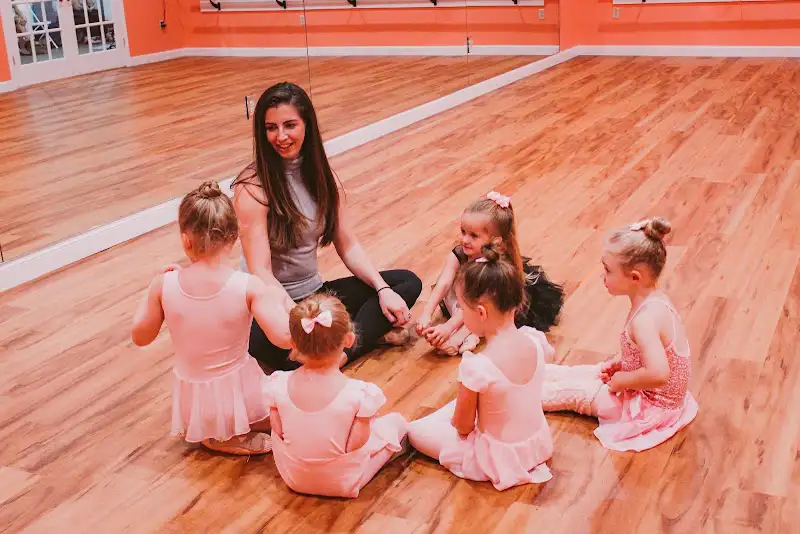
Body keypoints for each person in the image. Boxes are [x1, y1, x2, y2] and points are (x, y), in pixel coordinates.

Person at [233, 82, 422, 371]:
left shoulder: (321, 176)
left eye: (290, 125)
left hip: (314, 293)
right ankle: (359, 338)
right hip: (269, 304)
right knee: (283, 350)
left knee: (406, 283)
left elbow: (348, 244)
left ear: (307, 125)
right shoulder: (252, 188)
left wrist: (383, 290)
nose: (280, 136)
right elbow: (261, 273)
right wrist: (300, 317)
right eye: (271, 128)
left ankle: (338, 354)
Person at [132, 181, 293, 455]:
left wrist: (153, 290)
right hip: (241, 397)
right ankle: (229, 434)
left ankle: (214, 431)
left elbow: (140, 336)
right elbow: (285, 339)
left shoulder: (164, 285)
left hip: (194, 408)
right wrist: (278, 299)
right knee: (296, 401)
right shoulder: (248, 286)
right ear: (233, 238)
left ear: (185, 239)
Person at [541, 217, 699, 452]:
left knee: (578, 393)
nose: (602, 276)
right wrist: (624, 364)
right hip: (656, 395)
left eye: (607, 270)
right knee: (592, 372)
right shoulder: (656, 300)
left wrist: (624, 380)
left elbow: (659, 373)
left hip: (649, 408)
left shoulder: (644, 319)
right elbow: (651, 354)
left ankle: (519, 395)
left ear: (635, 277)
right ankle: (542, 375)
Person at [407, 245, 553, 490]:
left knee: (416, 431)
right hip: (537, 445)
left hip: (494, 459)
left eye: (462, 310)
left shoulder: (477, 367)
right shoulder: (536, 340)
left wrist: (462, 424)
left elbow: (463, 427)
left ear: (481, 312)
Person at [264, 293, 408, 497]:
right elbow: (354, 447)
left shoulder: (278, 383)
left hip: (293, 478)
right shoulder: (360, 393)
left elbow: (277, 430)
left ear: (293, 343)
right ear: (349, 339)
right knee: (396, 422)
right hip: (342, 483)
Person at [416, 191, 563, 355]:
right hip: (468, 303)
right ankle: (466, 333)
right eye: (463, 232)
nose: (465, 240)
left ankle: (463, 336)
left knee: (486, 309)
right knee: (454, 292)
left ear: (496, 241)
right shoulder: (459, 254)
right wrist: (426, 314)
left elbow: (478, 304)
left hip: (484, 306)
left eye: (473, 236)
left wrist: (447, 327)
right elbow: (443, 284)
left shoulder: (494, 266)